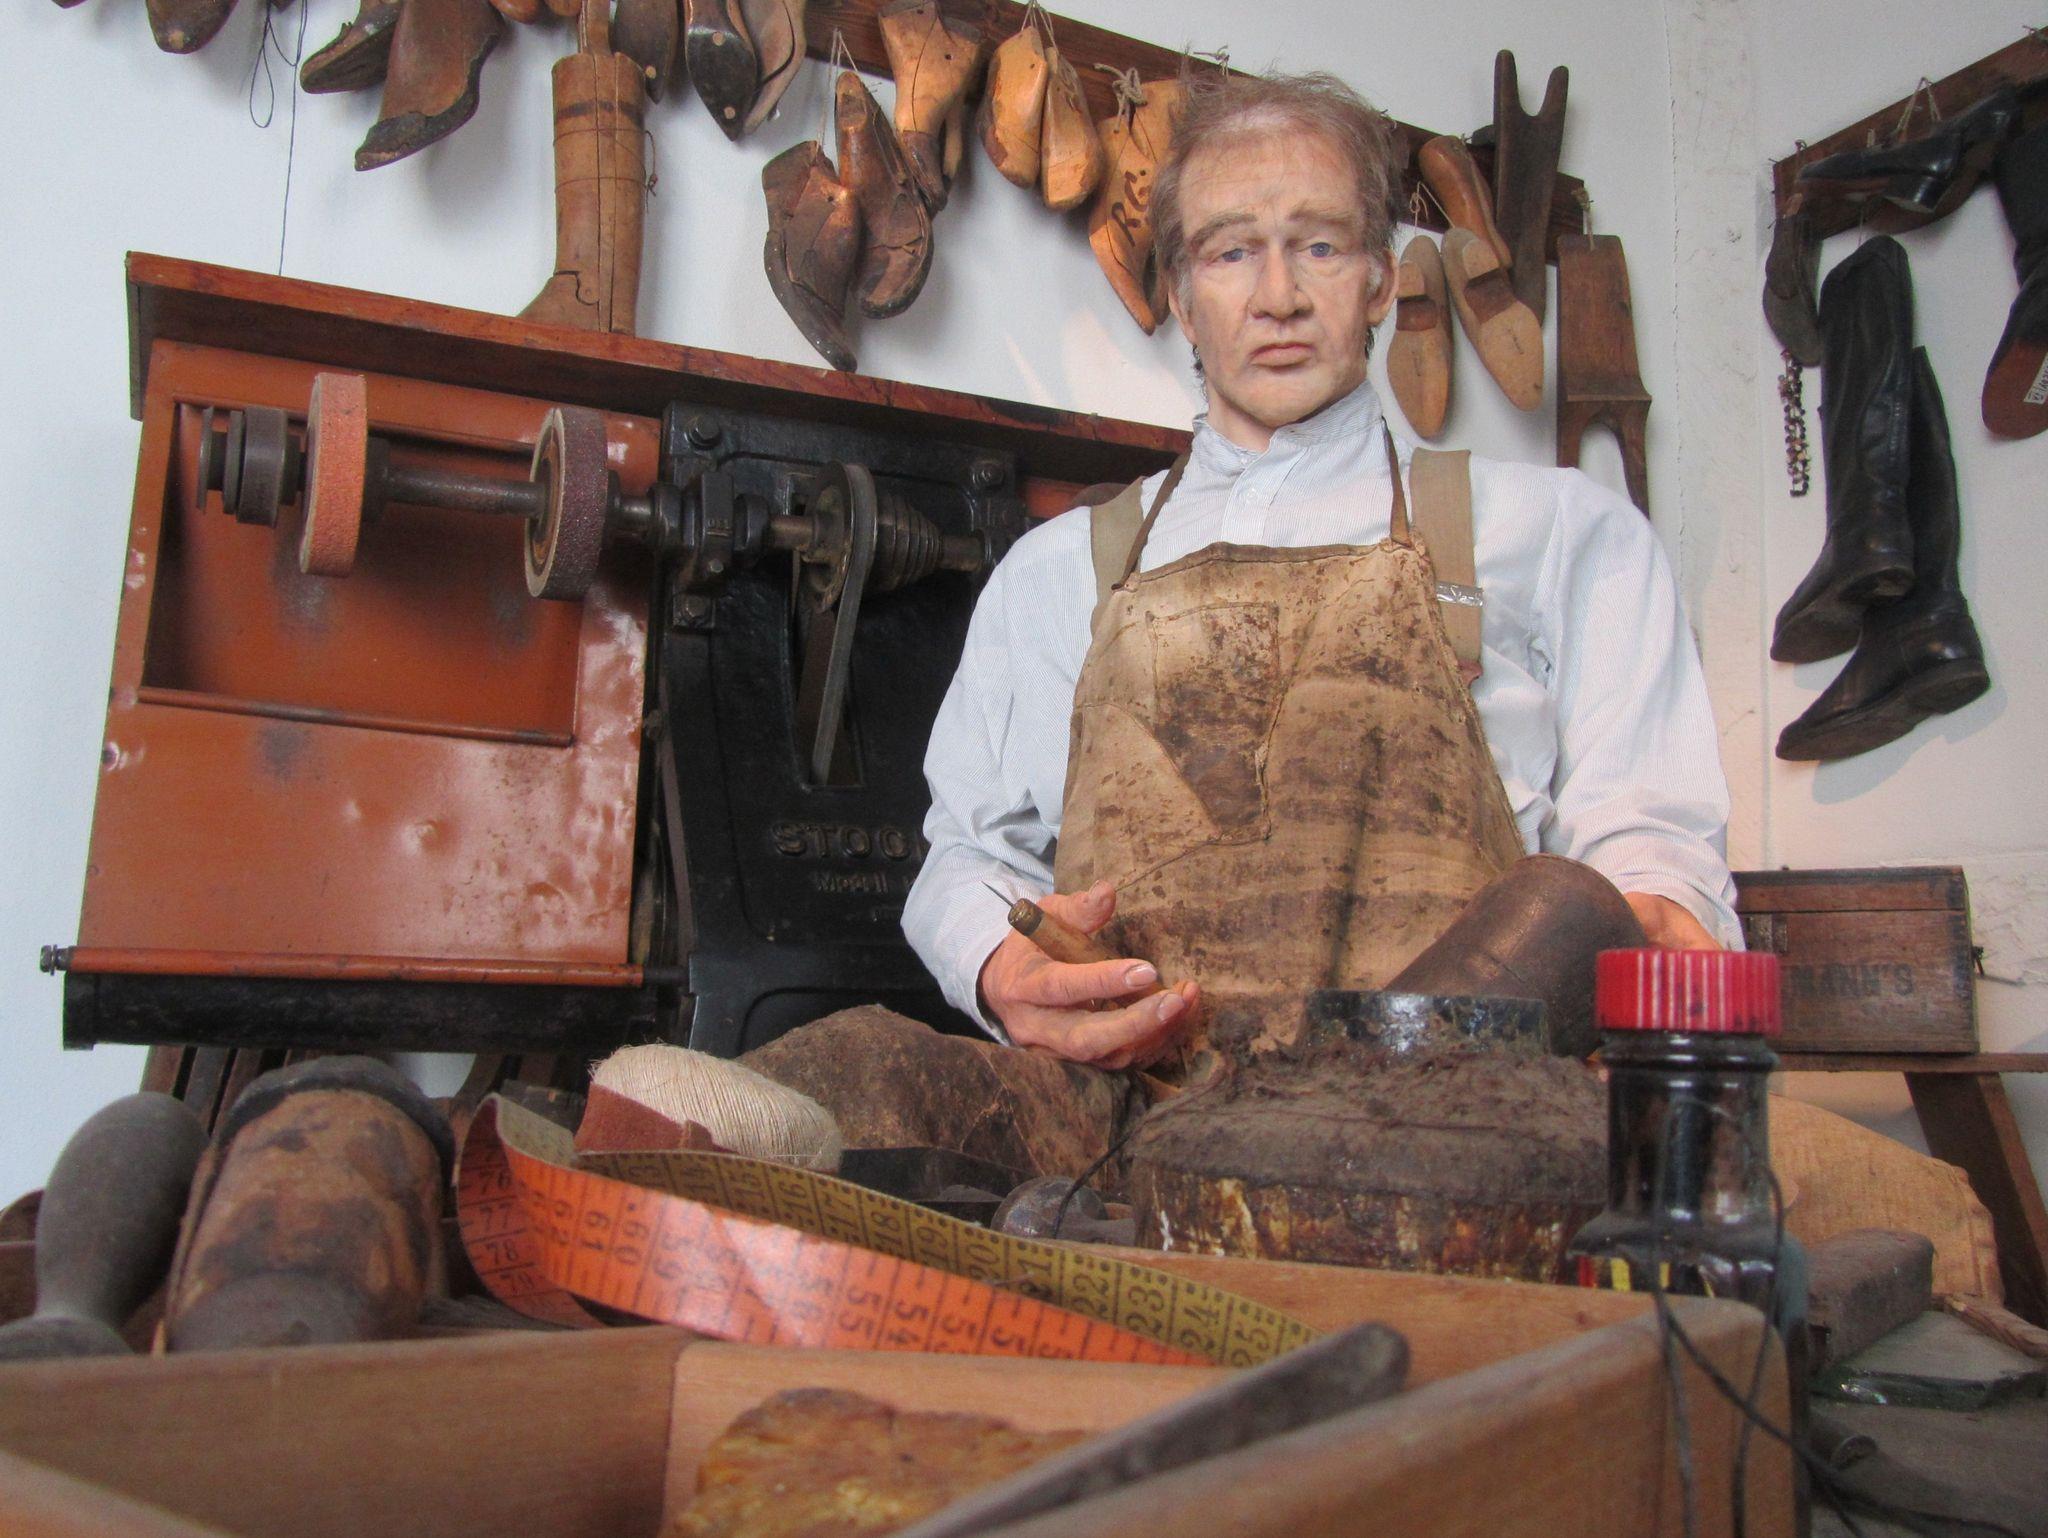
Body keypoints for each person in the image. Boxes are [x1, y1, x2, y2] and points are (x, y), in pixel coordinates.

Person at [900, 70, 1737, 1077]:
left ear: (1379, 280)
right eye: (1231, 252)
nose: (1278, 297)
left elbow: (1649, 845)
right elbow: (971, 854)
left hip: (1451, 1118)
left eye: (1320, 246)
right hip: (1129, 1118)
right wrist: (999, 963)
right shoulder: (1054, 574)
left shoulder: (1562, 532)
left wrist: (1647, 916)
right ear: (1179, 296)